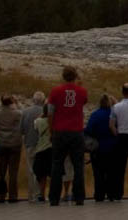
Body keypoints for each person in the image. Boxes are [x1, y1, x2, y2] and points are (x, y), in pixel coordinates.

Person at [46, 66, 87, 206]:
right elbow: (83, 102)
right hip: (76, 131)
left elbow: (50, 112)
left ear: (63, 76)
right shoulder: (81, 91)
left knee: (57, 165)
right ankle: (79, 197)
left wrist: (51, 131)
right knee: (78, 165)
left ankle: (54, 198)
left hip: (60, 130)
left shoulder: (55, 91)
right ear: (75, 76)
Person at [85, 94, 116, 202]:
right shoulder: (113, 114)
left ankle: (99, 195)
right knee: (111, 172)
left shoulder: (95, 115)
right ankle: (112, 194)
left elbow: (88, 130)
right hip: (112, 146)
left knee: (98, 173)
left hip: (97, 147)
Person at [0, 95, 23, 203]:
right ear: (11, 102)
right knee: (13, 172)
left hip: (1, 144)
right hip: (15, 144)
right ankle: (13, 196)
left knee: (0, 171)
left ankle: (0, 195)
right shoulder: (17, 113)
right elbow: (21, 114)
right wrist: (17, 102)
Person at [20, 91, 46, 202]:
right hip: (43, 145)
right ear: (43, 101)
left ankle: (32, 195)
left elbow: (21, 130)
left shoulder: (25, 112)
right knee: (42, 170)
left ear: (33, 100)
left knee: (31, 170)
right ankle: (41, 194)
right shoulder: (46, 112)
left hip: (29, 143)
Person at [33, 105, 52, 203]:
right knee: (53, 173)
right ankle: (53, 193)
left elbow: (35, 125)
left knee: (42, 174)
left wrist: (41, 115)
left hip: (40, 149)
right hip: (51, 148)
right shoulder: (53, 121)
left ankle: (42, 194)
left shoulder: (38, 121)